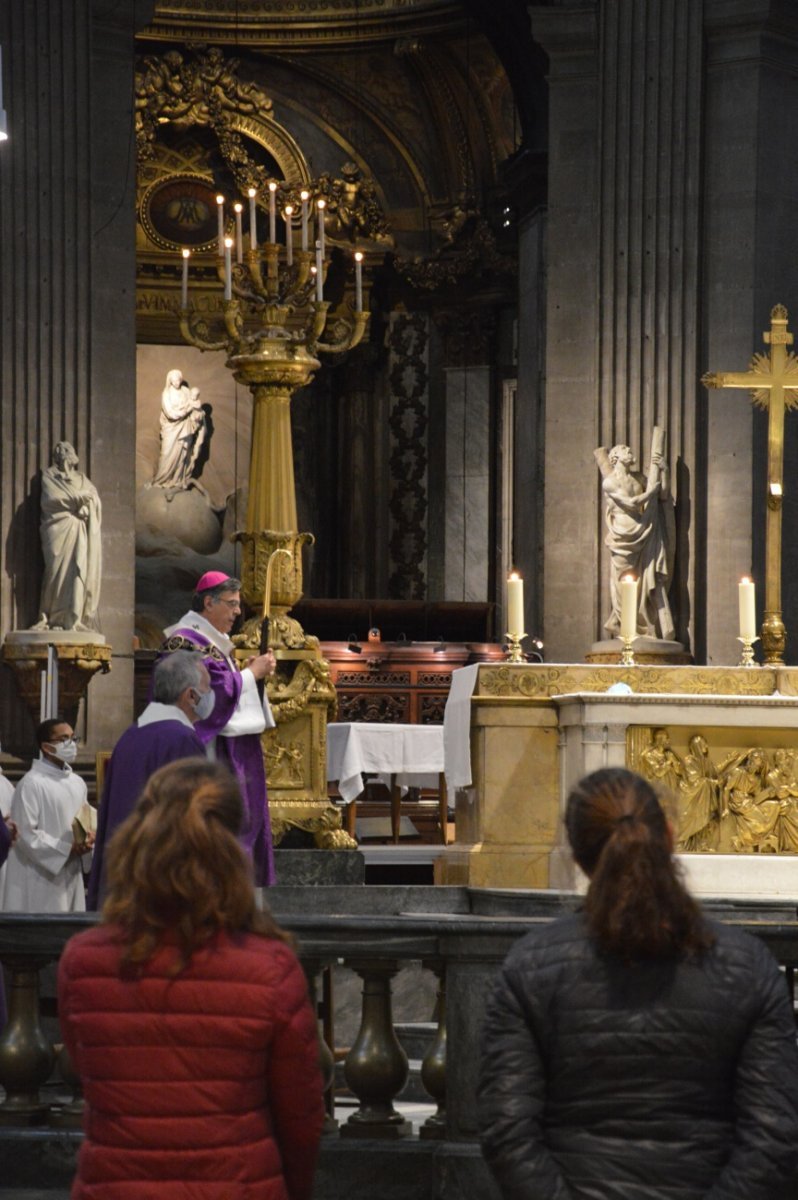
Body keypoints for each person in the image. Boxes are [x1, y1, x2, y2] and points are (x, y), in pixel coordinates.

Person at [478, 767, 798, 1200]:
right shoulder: (749, 966)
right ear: (669, 835)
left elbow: (506, 1129)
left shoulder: (529, 966)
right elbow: (775, 1132)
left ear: (577, 856)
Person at [58, 759, 324, 1200]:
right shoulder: (269, 968)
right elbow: (300, 1118)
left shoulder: (83, 961)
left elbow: (92, 1082)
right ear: (233, 850)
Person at [161, 571, 277, 885]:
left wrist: (249, 674)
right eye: (232, 604)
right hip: (202, 753)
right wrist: (252, 674)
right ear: (208, 602)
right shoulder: (185, 639)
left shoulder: (211, 642)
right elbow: (210, 694)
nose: (238, 613)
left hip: (223, 749)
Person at [86, 650, 211, 909]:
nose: (211, 697)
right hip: (161, 884)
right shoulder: (182, 741)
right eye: (207, 689)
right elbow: (192, 820)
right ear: (190, 695)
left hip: (124, 877)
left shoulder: (130, 736)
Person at [0, 718, 93, 913]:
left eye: (73, 738)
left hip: (71, 869)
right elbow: (25, 835)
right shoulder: (31, 784)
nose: (71, 744)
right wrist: (66, 849)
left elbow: (85, 817)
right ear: (47, 747)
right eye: (64, 739)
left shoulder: (77, 783)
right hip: (39, 875)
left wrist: (88, 839)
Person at [599, 442, 675, 640]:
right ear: (614, 455)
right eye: (625, 449)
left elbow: (664, 495)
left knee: (644, 581)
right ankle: (623, 626)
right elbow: (631, 504)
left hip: (645, 531)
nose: (630, 451)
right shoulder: (609, 482)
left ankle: (642, 627)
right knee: (623, 581)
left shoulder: (639, 478)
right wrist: (651, 493)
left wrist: (665, 472)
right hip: (622, 537)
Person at [33, 441, 102, 632]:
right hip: (58, 530)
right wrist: (79, 499)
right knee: (54, 571)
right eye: (59, 451)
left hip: (79, 530)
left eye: (66, 450)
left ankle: (74, 619)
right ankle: (51, 617)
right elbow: (50, 500)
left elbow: (94, 498)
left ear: (72, 455)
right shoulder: (50, 476)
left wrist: (88, 509)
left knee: (78, 573)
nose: (62, 453)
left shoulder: (82, 478)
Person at [151, 368, 207, 489]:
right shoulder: (166, 394)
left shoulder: (186, 391)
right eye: (174, 381)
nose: (177, 383)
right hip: (171, 428)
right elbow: (171, 413)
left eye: (178, 380)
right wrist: (187, 409)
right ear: (170, 381)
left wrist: (196, 412)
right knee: (166, 453)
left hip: (185, 428)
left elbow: (195, 403)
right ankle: (161, 480)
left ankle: (177, 480)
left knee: (182, 454)